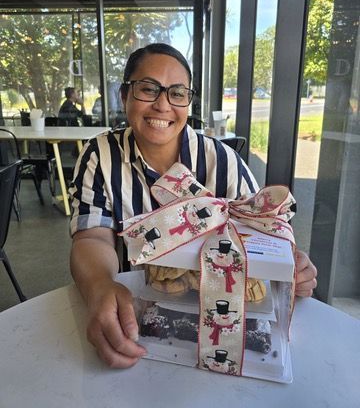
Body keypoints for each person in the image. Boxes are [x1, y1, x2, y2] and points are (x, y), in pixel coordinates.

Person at [69, 43, 317, 369]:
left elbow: (264, 235)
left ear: (188, 101)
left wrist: (291, 265)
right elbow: (92, 237)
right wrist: (100, 287)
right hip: (137, 315)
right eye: (148, 89)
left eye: (177, 93)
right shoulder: (100, 155)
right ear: (124, 94)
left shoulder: (223, 162)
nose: (162, 105)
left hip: (221, 319)